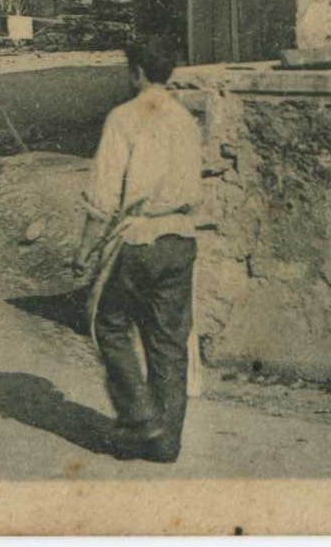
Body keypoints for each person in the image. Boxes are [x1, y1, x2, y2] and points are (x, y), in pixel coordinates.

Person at [73, 38, 203, 464]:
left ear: (139, 73)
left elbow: (104, 197)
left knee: (108, 325)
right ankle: (166, 443)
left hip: (139, 240)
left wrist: (84, 250)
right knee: (168, 341)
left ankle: (140, 415)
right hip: (180, 238)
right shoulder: (185, 120)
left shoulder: (124, 119)